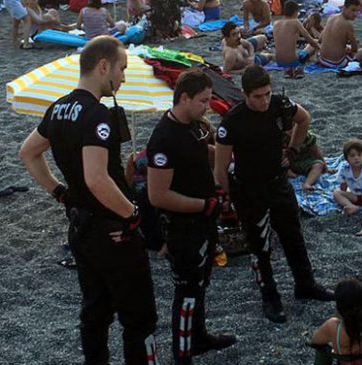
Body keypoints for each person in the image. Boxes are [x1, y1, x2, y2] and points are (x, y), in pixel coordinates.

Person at [18, 36, 158, 364]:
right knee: (139, 319)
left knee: (95, 313)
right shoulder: (97, 114)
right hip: (113, 232)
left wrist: (60, 193)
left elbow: (28, 152)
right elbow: (97, 178)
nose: (123, 77)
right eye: (122, 69)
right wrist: (132, 214)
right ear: (103, 66)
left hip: (80, 229)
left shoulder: (58, 108)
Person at [214, 65, 334, 324]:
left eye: (267, 93)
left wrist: (292, 151)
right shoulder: (232, 121)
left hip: (278, 182)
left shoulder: (280, 105)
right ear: (245, 94)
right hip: (248, 188)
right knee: (260, 247)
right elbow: (220, 169)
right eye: (257, 96)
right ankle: (270, 297)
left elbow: (304, 119)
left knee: (293, 235)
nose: (264, 100)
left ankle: (306, 284)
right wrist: (231, 198)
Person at [146, 69, 237, 364]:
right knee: (186, 291)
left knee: (201, 283)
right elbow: (157, 195)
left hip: (204, 220)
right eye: (203, 101)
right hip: (183, 226)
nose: (207, 107)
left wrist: (228, 156)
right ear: (183, 98)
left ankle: (199, 337)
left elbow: (202, 151)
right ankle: (183, 353)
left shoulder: (194, 126)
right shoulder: (163, 139)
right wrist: (202, 205)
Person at [318, 0, 362, 68]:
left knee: (347, 47)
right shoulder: (347, 24)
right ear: (344, 8)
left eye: (357, 11)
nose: (355, 14)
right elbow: (354, 49)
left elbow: (320, 39)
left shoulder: (331, 17)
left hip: (322, 59)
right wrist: (348, 48)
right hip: (336, 63)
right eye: (353, 10)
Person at [272, 1, 320, 78]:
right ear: (295, 12)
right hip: (292, 61)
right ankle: (295, 69)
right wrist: (319, 48)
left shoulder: (276, 23)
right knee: (315, 43)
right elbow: (309, 40)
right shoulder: (295, 22)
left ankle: (288, 70)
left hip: (279, 61)